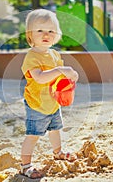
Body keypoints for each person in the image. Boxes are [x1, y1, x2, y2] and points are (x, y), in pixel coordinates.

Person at [20, 9, 79, 179]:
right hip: (37, 105)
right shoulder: (32, 57)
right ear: (30, 35)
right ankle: (25, 165)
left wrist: (71, 75)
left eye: (51, 31)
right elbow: (39, 78)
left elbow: (61, 76)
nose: (46, 34)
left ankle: (58, 152)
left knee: (55, 130)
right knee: (32, 136)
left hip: (53, 103)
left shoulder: (54, 54)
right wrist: (60, 69)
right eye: (40, 30)